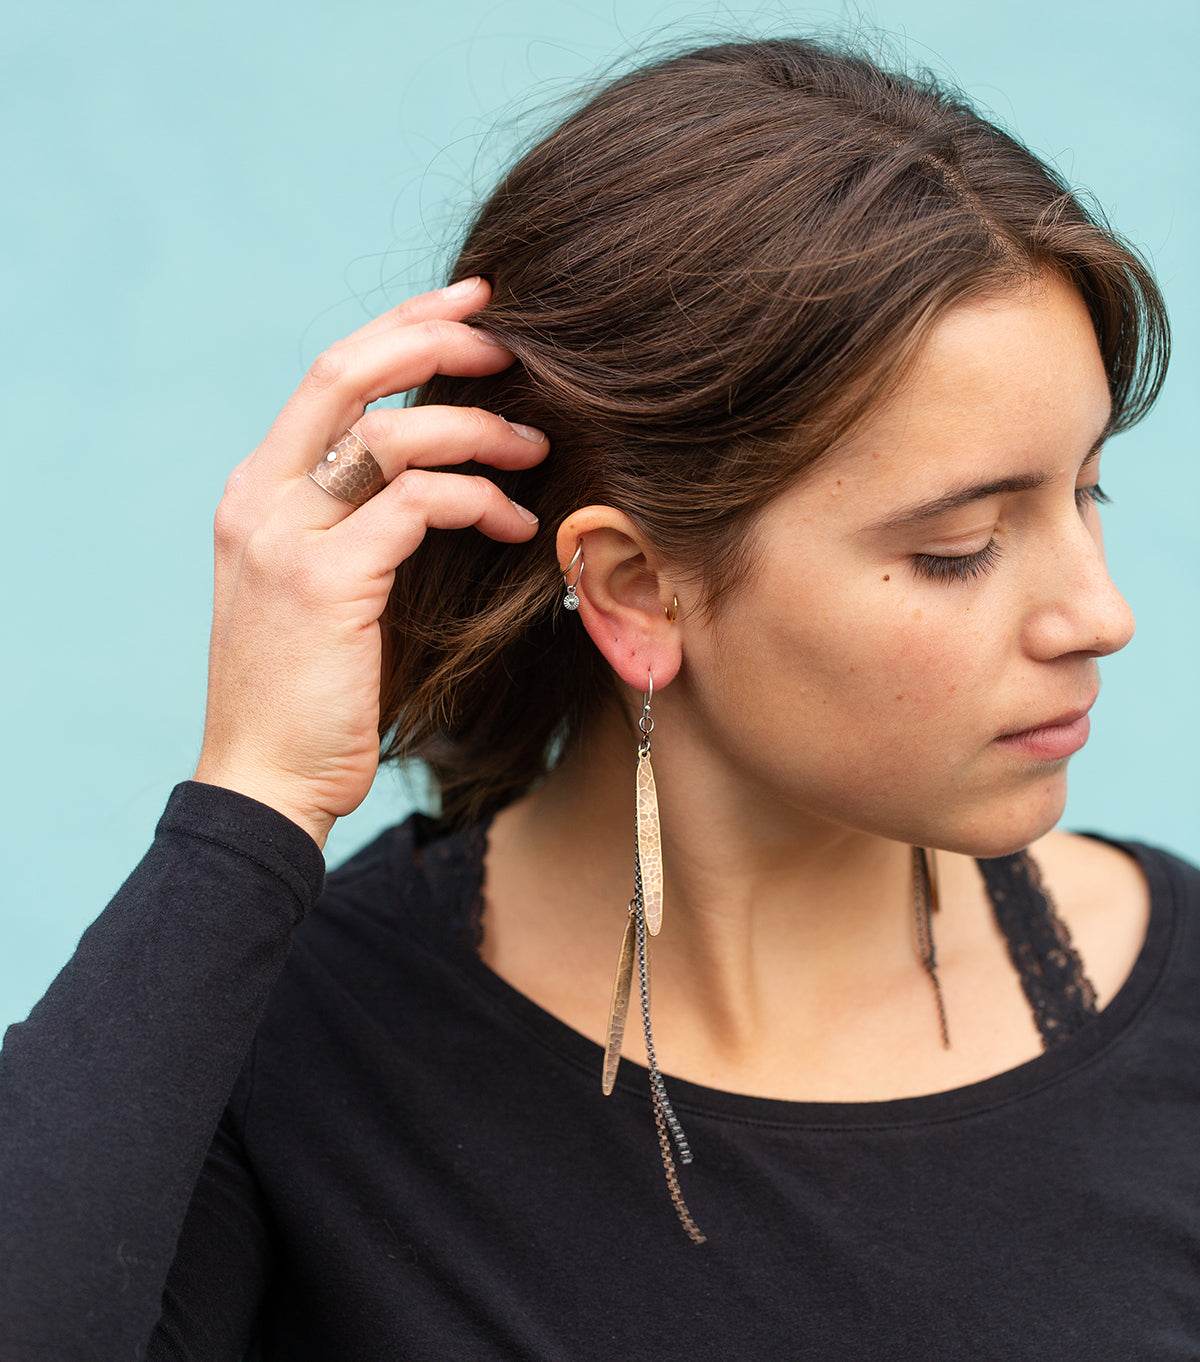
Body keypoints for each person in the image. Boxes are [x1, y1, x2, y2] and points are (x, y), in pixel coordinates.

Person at [0, 32, 1189, 1362]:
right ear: (631, 587)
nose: (1101, 613)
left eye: (1086, 490)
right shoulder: (283, 1059)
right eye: (958, 547)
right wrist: (253, 794)